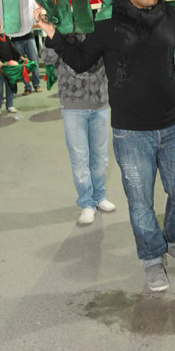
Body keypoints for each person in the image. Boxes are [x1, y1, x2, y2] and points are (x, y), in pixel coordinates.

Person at [36, 0, 175, 292]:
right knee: (140, 204)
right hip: (131, 132)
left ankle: (174, 240)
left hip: (174, 125)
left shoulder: (168, 15)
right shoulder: (108, 23)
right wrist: (51, 32)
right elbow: (80, 62)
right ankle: (151, 257)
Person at [41, 35, 115, 224]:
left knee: (100, 157)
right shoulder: (60, 31)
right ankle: (87, 203)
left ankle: (99, 196)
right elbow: (47, 58)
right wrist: (50, 34)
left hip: (100, 103)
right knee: (80, 158)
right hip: (72, 105)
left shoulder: (97, 27)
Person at [0, 14, 22, 116]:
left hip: (8, 64)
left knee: (10, 84)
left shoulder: (4, 34)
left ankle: (10, 105)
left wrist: (20, 56)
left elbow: (11, 46)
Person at [12, 31, 42, 95]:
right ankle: (27, 87)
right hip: (16, 38)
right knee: (21, 65)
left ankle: (36, 84)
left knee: (34, 62)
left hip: (29, 37)